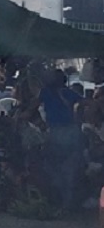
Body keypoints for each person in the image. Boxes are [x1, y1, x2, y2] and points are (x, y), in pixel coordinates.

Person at [37, 69, 84, 211]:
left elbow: (31, 108)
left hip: (57, 131)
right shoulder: (68, 93)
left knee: (54, 166)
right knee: (69, 168)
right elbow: (84, 103)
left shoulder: (45, 93)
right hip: (71, 131)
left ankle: (60, 201)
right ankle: (66, 202)